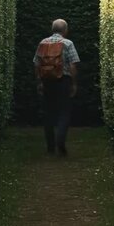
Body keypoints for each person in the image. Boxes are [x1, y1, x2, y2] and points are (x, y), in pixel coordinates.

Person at [33, 19, 80, 156]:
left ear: (52, 29)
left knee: (48, 113)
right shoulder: (68, 43)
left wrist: (39, 82)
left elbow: (37, 64)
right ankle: (60, 139)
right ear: (65, 30)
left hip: (47, 81)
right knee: (64, 111)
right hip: (63, 80)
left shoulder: (43, 43)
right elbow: (72, 65)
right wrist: (74, 83)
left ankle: (50, 146)